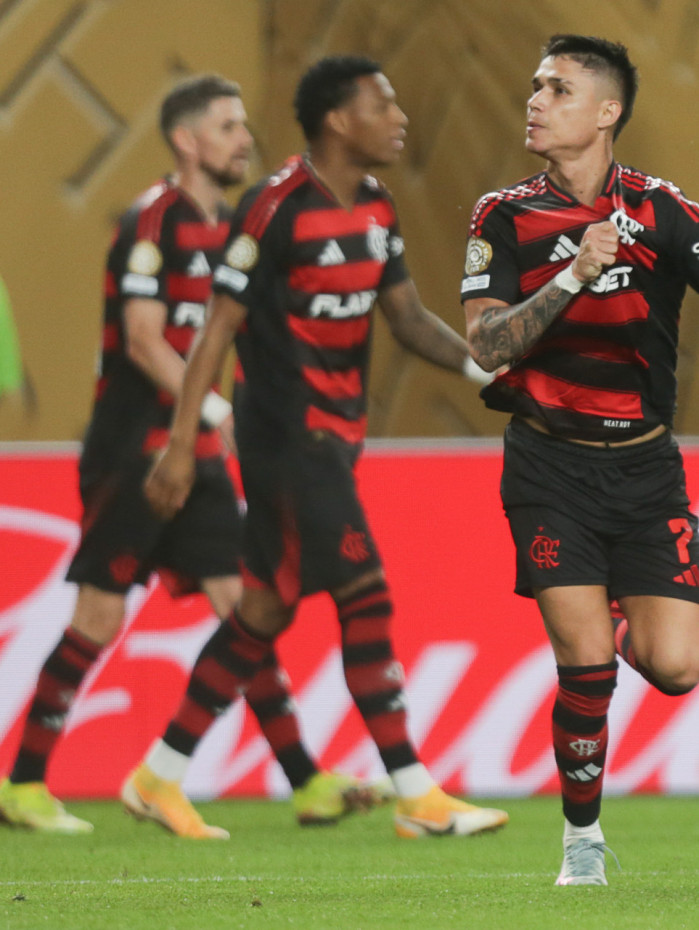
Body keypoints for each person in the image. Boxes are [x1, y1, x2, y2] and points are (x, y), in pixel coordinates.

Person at [129, 54, 509, 841]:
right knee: (365, 593)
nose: (399, 119)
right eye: (383, 103)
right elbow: (216, 331)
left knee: (261, 612)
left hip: (336, 441)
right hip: (285, 441)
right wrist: (181, 443)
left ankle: (156, 776)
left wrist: (486, 371)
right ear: (339, 120)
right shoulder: (275, 208)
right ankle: (416, 794)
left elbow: (406, 320)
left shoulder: (374, 205)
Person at [0, 74, 381, 838]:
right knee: (99, 616)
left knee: (244, 611)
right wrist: (213, 408)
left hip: (193, 454)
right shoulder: (152, 220)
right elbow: (144, 341)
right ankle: (24, 784)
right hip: (133, 452)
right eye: (227, 126)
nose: (244, 139)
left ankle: (306, 782)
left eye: (243, 125)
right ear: (185, 139)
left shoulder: (238, 229)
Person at [462, 33, 699, 885]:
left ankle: (625, 611)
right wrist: (569, 277)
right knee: (586, 666)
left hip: (645, 468)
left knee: (675, 668)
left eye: (556, 89)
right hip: (548, 468)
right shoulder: (502, 215)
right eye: (535, 85)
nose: (534, 100)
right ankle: (582, 843)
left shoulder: (662, 211)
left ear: (606, 113)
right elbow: (486, 345)